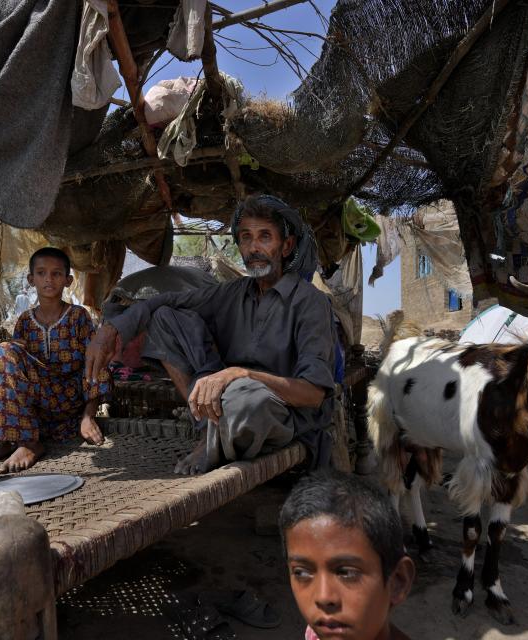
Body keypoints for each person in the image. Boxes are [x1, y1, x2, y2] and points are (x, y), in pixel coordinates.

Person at [86, 194, 336, 474]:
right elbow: (162, 301)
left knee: (245, 401)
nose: (254, 247)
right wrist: (110, 330)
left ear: (286, 246)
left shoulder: (310, 302)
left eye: (265, 237)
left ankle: (215, 439)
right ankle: (210, 431)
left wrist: (242, 374)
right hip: (227, 395)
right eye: (245, 237)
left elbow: (313, 394)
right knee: (165, 317)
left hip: (279, 411)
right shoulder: (231, 292)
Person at [0, 247, 111, 472]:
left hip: (67, 404)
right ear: (31, 279)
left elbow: (95, 364)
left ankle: (29, 443)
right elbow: (13, 362)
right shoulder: (25, 321)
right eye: (41, 273)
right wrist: (9, 353)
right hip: (35, 409)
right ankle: (6, 437)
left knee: (5, 349)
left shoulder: (78, 316)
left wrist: (88, 416)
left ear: (68, 280)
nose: (49, 279)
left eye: (56, 274)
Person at [280, 471, 416, 640]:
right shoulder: (316, 634)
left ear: (398, 581)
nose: (323, 597)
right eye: (301, 572)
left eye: (346, 573)